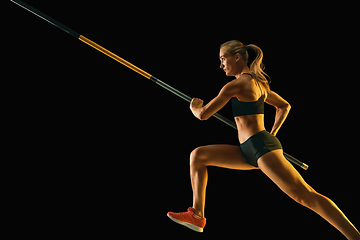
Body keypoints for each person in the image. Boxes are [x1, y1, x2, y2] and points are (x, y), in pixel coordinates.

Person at [167, 40, 360, 239]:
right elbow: (284, 106)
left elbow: (203, 115)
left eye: (223, 59)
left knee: (305, 195)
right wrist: (273, 133)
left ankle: (354, 236)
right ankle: (197, 215)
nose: (221, 65)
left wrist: (194, 107)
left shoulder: (237, 85)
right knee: (198, 155)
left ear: (237, 57)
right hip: (248, 149)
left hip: (260, 147)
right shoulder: (259, 84)